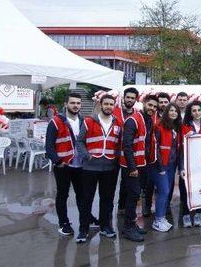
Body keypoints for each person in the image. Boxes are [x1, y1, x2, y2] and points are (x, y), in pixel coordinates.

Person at [45, 92, 97, 236]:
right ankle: (64, 223)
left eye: (78, 103)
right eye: (73, 103)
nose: (76, 106)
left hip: (80, 165)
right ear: (66, 104)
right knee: (63, 195)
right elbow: (49, 146)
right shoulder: (55, 121)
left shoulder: (83, 121)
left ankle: (87, 217)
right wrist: (58, 161)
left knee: (82, 194)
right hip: (64, 165)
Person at [76, 94, 122, 243]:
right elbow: (80, 141)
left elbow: (119, 144)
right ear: (101, 105)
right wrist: (87, 156)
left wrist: (116, 158)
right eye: (106, 104)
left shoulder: (117, 124)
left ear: (114, 106)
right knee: (86, 199)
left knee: (107, 199)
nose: (109, 106)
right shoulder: (89, 121)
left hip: (109, 168)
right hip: (90, 167)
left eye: (111, 104)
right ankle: (83, 230)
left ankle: (105, 226)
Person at [120, 94, 159, 242]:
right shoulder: (133, 120)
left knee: (135, 195)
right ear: (143, 103)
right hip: (132, 165)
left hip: (142, 164)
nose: (152, 109)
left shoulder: (147, 120)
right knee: (134, 195)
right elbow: (127, 145)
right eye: (150, 105)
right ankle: (128, 228)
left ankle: (131, 224)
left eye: (154, 107)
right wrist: (132, 167)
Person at [180, 100, 201, 228]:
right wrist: (181, 166)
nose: (197, 113)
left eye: (199, 110)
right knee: (185, 188)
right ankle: (186, 214)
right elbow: (180, 148)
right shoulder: (184, 126)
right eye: (194, 110)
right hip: (187, 162)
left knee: (199, 188)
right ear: (190, 113)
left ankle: (198, 212)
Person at [154, 103, 183, 232]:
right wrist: (160, 167)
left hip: (172, 165)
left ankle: (162, 217)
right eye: (171, 110)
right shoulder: (159, 126)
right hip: (161, 165)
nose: (173, 113)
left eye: (175, 111)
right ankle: (158, 220)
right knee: (164, 191)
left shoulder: (176, 128)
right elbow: (155, 148)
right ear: (167, 112)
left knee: (168, 191)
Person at [117, 87, 139, 215]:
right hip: (114, 154)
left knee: (126, 182)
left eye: (132, 98)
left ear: (136, 100)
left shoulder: (138, 114)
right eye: (128, 97)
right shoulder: (115, 112)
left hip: (129, 154)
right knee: (115, 182)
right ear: (124, 98)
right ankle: (119, 207)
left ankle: (123, 207)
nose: (130, 100)